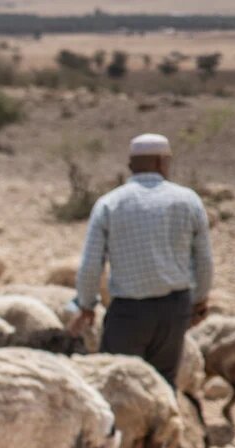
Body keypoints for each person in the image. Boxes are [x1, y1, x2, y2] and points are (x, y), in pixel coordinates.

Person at [69, 132, 213, 386]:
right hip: (174, 309)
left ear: (130, 166)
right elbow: (203, 260)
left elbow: (91, 264)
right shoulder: (188, 201)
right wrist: (199, 302)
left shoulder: (109, 204)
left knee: (117, 383)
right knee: (163, 383)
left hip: (129, 312)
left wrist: (86, 305)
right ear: (162, 163)